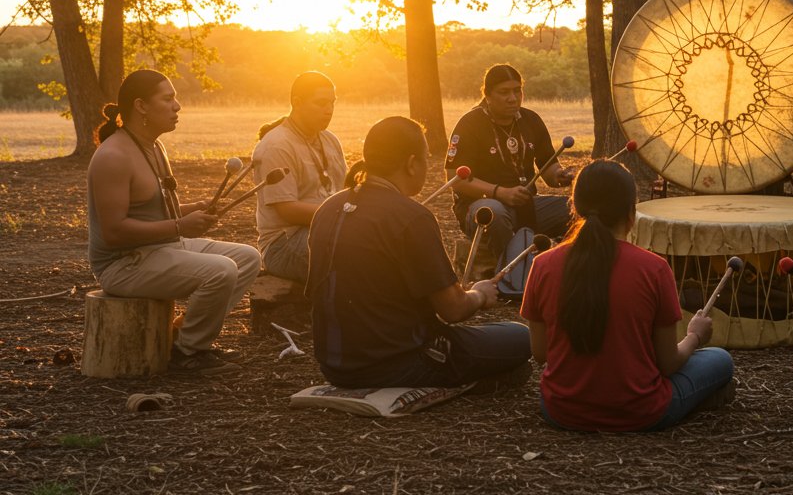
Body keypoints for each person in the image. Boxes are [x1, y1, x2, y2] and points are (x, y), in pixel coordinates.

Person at [306, 116, 531, 389]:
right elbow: (453, 310)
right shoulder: (411, 217)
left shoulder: (328, 208)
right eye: (425, 158)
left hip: (335, 366)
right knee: (520, 337)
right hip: (400, 365)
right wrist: (480, 294)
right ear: (412, 163)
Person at [520, 160, 735, 431]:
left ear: (575, 208)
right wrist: (695, 336)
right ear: (631, 212)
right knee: (719, 359)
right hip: (643, 412)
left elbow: (540, 353)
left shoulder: (543, 265)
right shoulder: (654, 268)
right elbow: (668, 364)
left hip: (562, 410)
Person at [87, 69, 261, 376]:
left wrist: (194, 209)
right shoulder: (113, 156)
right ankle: (187, 353)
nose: (177, 106)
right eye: (168, 99)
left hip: (160, 246)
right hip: (123, 264)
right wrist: (181, 227)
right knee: (221, 270)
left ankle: (181, 334)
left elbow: (154, 211)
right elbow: (114, 233)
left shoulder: (154, 146)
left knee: (247, 258)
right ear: (141, 106)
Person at [446, 65, 574, 278]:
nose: (513, 98)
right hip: (480, 207)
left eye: (517, 90)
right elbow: (454, 179)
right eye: (504, 92)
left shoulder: (531, 120)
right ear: (486, 95)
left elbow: (548, 168)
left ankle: (566, 268)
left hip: (527, 205)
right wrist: (500, 192)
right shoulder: (469, 124)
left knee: (578, 209)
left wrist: (560, 175)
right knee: (494, 211)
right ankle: (515, 278)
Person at [251, 71, 346, 283]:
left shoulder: (330, 140)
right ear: (297, 102)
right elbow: (288, 211)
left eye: (332, 103)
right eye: (321, 103)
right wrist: (346, 216)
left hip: (328, 229)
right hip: (283, 243)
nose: (329, 110)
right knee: (356, 250)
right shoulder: (277, 145)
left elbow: (342, 192)